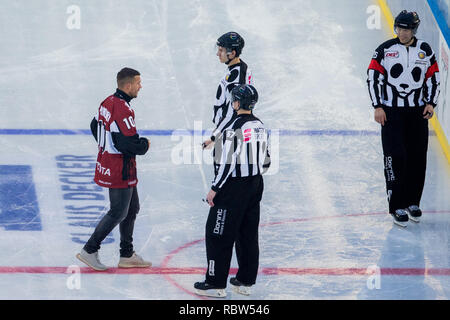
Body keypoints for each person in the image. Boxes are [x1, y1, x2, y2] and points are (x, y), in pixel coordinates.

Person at [194, 84, 271, 298]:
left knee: (217, 232)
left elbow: (226, 163)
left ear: (237, 103)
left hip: (233, 187)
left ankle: (215, 283)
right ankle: (245, 281)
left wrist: (215, 189)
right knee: (247, 233)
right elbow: (266, 161)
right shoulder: (259, 125)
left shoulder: (234, 127)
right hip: (255, 184)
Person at [367, 10, 440, 227]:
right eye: (399, 28)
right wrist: (377, 106)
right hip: (391, 113)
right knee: (395, 157)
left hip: (417, 114)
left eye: (406, 29)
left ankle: (412, 202)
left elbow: (433, 78)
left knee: (418, 158)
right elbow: (372, 78)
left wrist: (430, 103)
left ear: (414, 30)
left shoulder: (425, 50)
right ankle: (396, 205)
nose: (402, 32)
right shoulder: (385, 50)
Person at [76, 67, 152, 270]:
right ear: (128, 86)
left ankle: (126, 254)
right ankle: (90, 249)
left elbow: (94, 125)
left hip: (112, 163)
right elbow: (127, 144)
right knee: (118, 211)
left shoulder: (107, 102)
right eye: (138, 83)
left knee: (132, 208)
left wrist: (105, 145)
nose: (140, 86)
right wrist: (144, 144)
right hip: (120, 167)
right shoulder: (122, 108)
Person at [202, 31, 253, 176]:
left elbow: (232, 113)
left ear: (233, 53)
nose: (218, 54)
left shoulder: (236, 79)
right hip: (229, 130)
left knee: (223, 175)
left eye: (221, 50)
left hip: (229, 132)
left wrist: (214, 136)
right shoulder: (238, 68)